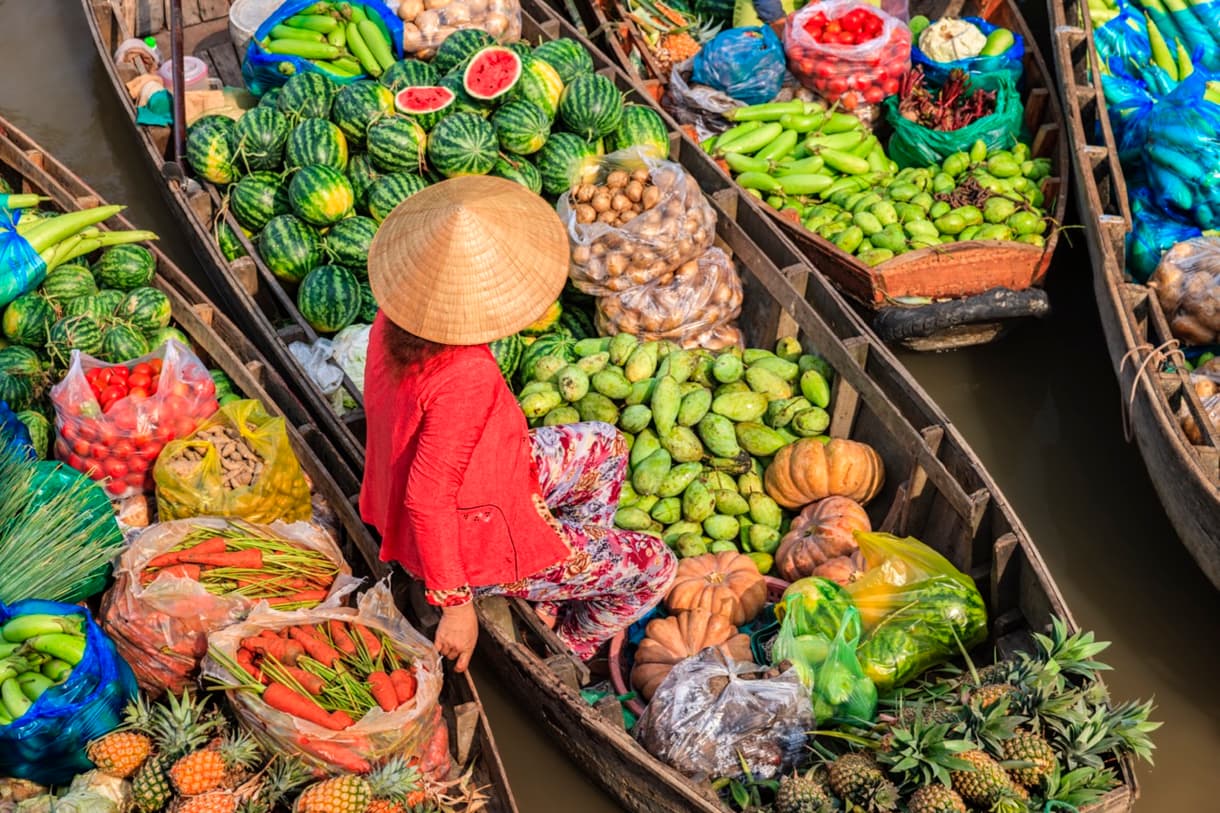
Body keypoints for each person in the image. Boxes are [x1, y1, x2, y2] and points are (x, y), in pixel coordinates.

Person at [360, 176, 678, 673]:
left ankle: (552, 588)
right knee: (656, 566)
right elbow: (427, 498)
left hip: (484, 477)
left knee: (607, 446)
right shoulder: (466, 373)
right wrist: (457, 605)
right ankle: (566, 646)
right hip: (468, 539)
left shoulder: (395, 315)